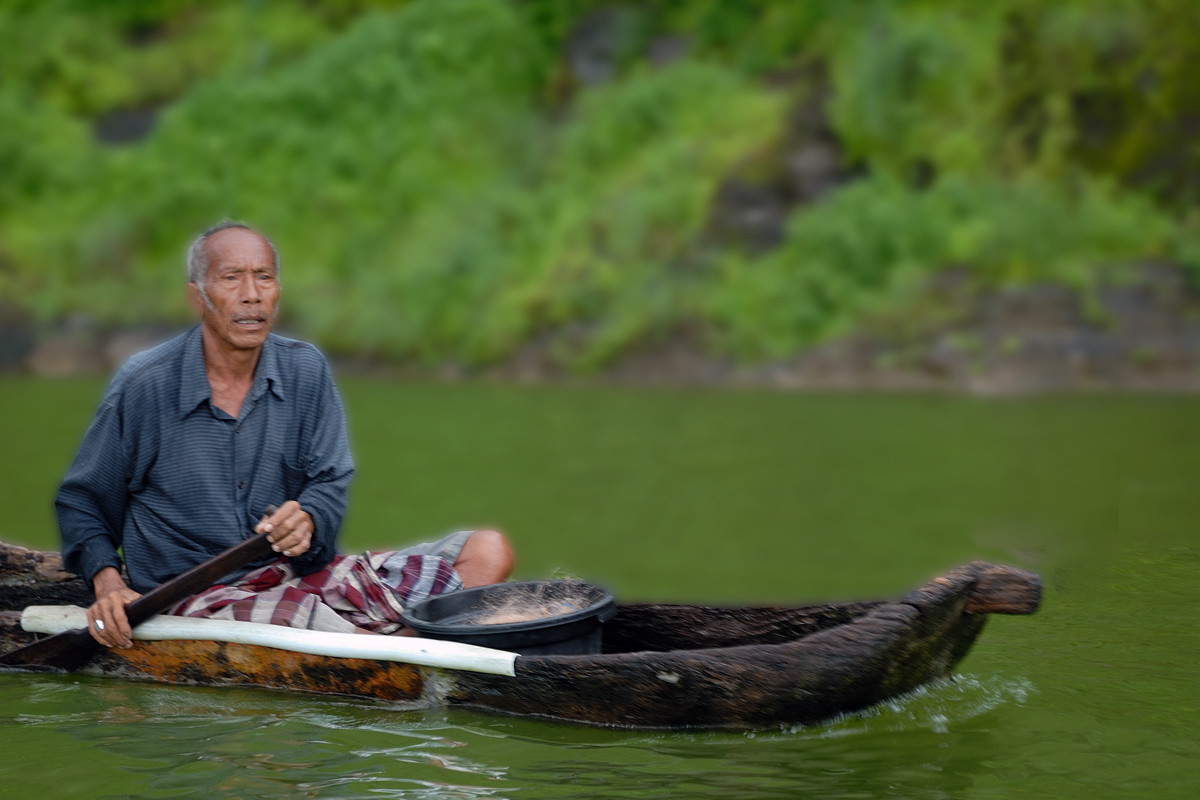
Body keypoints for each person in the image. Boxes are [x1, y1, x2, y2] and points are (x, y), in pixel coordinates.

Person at [57, 221, 513, 649]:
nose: (252, 295)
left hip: (296, 574)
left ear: (278, 293)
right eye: (231, 278)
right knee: (333, 627)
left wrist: (310, 520)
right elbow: (83, 503)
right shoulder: (146, 384)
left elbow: (329, 484)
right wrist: (110, 584)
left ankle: (415, 650)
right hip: (194, 602)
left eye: (264, 278)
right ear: (198, 296)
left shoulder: (305, 370)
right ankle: (415, 648)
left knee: (488, 548)